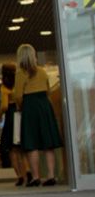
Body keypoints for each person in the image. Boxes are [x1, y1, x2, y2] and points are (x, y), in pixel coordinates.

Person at [14, 44, 62, 187]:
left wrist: (22, 106)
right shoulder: (42, 71)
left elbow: (17, 96)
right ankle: (51, 175)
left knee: (31, 143)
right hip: (44, 105)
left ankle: (35, 177)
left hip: (29, 106)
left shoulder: (20, 73)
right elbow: (47, 90)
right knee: (48, 142)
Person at [0, 62, 30, 186]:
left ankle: (20, 176)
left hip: (10, 116)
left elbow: (5, 105)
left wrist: (0, 113)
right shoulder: (19, 82)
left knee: (12, 149)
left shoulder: (4, 87)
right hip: (20, 113)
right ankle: (27, 170)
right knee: (22, 147)